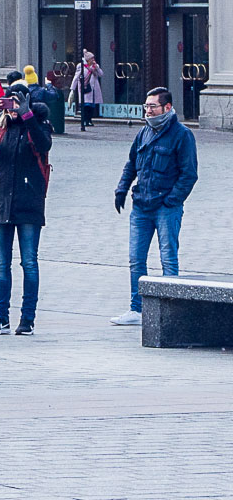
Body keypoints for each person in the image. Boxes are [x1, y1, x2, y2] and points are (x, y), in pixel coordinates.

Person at [110, 86, 199, 326]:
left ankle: (171, 311)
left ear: (167, 108)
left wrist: (172, 200)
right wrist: (121, 189)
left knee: (168, 257)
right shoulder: (143, 133)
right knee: (136, 259)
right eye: (146, 106)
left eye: (152, 106)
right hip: (141, 205)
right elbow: (131, 164)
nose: (148, 111)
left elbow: (189, 174)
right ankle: (136, 309)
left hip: (165, 206)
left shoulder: (181, 134)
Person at [0, 82, 52, 336]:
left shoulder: (39, 123)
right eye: (10, 102)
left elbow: (44, 145)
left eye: (17, 101)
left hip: (29, 201)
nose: (13, 106)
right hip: (0, 202)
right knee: (0, 263)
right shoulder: (1, 128)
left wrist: (28, 115)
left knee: (29, 262)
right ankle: (1, 318)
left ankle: (27, 319)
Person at [68, 50, 103, 128]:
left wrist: (97, 68)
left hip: (93, 88)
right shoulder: (82, 67)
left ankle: (89, 120)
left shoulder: (95, 66)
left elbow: (101, 74)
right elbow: (76, 77)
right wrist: (72, 89)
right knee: (86, 105)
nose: (93, 60)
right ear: (87, 59)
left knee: (91, 106)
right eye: (91, 58)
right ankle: (85, 120)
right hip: (85, 88)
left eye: (93, 58)